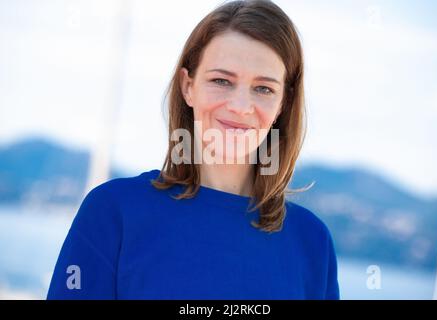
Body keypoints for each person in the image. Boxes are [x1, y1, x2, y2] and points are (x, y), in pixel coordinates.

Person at [47, 0, 340, 299]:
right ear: (188, 86)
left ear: (284, 102)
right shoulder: (113, 213)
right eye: (221, 81)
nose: (240, 107)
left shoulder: (312, 243)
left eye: (263, 88)